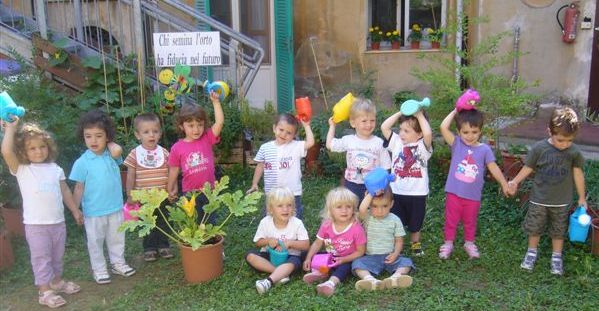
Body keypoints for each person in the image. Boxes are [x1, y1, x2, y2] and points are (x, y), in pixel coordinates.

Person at [1, 119, 83, 308]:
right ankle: (44, 291)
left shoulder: (55, 169)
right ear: (23, 151)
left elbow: (65, 192)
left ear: (48, 147)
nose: (38, 151)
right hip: (36, 225)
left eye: (42, 146)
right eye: (32, 148)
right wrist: (10, 129)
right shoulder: (22, 170)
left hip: (58, 223)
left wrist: (75, 210)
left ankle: (56, 281)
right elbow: (6, 151)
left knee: (57, 255)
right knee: (41, 257)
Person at [508, 107, 586, 275]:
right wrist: (514, 181)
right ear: (549, 131)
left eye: (569, 140)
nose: (564, 144)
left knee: (558, 230)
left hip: (562, 201)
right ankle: (531, 252)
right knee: (534, 228)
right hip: (539, 199)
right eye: (560, 140)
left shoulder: (574, 152)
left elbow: (578, 174)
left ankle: (556, 257)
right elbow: (528, 167)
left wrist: (581, 197)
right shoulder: (539, 149)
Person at [69, 110, 136, 285]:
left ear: (107, 137)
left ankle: (118, 263)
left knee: (116, 238)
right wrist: (76, 210)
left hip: (115, 208)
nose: (93, 140)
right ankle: (99, 269)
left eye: (99, 135)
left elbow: (119, 153)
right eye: (88, 136)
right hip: (93, 212)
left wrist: (114, 146)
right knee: (95, 242)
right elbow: (78, 187)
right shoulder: (82, 162)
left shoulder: (112, 156)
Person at [438, 108, 509, 259]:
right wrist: (455, 110)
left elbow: (493, 167)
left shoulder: (484, 150)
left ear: (480, 131)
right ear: (458, 132)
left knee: (470, 221)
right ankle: (448, 243)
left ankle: (469, 243)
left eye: (474, 132)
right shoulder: (457, 144)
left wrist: (504, 183)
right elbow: (443, 127)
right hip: (454, 193)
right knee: (451, 220)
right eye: (465, 132)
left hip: (473, 196)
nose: (470, 136)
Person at [381, 109, 433, 256]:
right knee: (395, 221)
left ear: (419, 133)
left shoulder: (423, 147)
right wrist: (400, 112)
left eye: (407, 131)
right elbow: (384, 127)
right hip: (396, 191)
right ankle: (395, 244)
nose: (402, 133)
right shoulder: (396, 141)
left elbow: (428, 133)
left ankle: (415, 245)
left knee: (415, 223)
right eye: (401, 130)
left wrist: (419, 115)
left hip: (417, 194)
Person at [124, 112, 173, 262]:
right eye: (146, 132)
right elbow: (131, 175)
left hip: (162, 196)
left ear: (160, 133)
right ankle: (149, 248)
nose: (151, 135)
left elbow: (172, 172)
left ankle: (164, 246)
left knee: (163, 221)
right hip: (143, 198)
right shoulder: (134, 154)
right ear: (138, 135)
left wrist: (172, 190)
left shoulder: (164, 153)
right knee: (147, 222)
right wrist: (130, 194)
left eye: (155, 131)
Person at [167, 92, 224, 219]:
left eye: (200, 125)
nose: (196, 130)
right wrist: (170, 188)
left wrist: (216, 102)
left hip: (209, 192)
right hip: (190, 193)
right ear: (182, 126)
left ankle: (209, 239)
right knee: (192, 225)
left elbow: (219, 123)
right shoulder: (177, 148)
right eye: (191, 126)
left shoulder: (207, 138)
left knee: (210, 223)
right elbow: (174, 170)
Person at [248, 113, 314, 219]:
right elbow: (260, 166)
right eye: (281, 130)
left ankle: (294, 235)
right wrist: (254, 183)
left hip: (292, 192)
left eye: (289, 133)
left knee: (294, 218)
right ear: (274, 128)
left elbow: (310, 142)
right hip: (272, 192)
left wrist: (306, 126)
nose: (283, 134)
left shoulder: (296, 146)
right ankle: (272, 234)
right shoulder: (265, 148)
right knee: (270, 218)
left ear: (294, 136)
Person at [302, 187, 366, 297]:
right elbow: (317, 243)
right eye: (339, 207)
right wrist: (308, 258)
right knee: (315, 255)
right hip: (331, 256)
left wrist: (343, 259)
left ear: (353, 208)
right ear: (330, 210)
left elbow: (361, 251)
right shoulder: (327, 224)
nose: (344, 210)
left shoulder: (356, 228)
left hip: (348, 258)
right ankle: (320, 273)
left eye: (348, 207)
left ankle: (331, 283)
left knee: (345, 267)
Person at [245, 187, 310, 294]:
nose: (285, 209)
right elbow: (257, 242)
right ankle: (281, 273)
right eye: (280, 206)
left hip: (290, 256)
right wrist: (268, 241)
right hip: (269, 255)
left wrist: (290, 243)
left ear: (293, 207)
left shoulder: (297, 223)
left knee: (294, 262)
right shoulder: (265, 222)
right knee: (250, 256)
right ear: (271, 209)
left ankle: (268, 282)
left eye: (289, 205)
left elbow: (306, 245)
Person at [326, 97, 391, 203]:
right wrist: (332, 126)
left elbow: (386, 168)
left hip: (372, 187)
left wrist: (381, 187)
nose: (369, 124)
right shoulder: (348, 140)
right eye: (364, 121)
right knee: (352, 212)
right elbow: (330, 145)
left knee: (369, 214)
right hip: (351, 185)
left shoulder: (379, 143)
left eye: (372, 120)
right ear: (353, 123)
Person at [351, 187, 414, 291]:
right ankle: (370, 280)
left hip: (390, 257)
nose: (380, 211)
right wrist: (370, 195)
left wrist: (395, 254)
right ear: (369, 206)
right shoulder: (367, 217)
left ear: (391, 204)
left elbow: (399, 240)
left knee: (407, 262)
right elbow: (362, 208)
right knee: (357, 264)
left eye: (385, 206)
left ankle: (396, 278)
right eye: (374, 206)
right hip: (370, 257)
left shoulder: (395, 219)